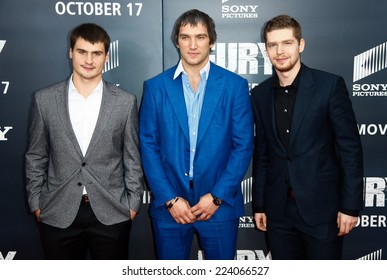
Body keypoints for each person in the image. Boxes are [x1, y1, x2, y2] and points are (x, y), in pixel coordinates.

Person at [139, 9, 253, 260]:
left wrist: (217, 196)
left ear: (211, 42)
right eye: (185, 37)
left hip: (219, 207)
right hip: (170, 209)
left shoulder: (234, 86)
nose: (192, 45)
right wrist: (169, 198)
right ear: (176, 40)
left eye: (200, 37)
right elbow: (148, 146)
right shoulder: (156, 87)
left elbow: (243, 145)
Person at [25, 23, 144, 259]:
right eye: (82, 52)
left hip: (112, 212)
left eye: (96, 53)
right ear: (71, 52)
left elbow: (132, 157)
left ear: (106, 56)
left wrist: (131, 205)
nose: (89, 60)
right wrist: (37, 203)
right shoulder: (45, 100)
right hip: (57, 211)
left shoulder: (125, 101)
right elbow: (36, 155)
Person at [251, 15, 364, 260]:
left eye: (287, 43)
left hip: (322, 212)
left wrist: (350, 206)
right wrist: (259, 204)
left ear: (301, 45)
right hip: (278, 213)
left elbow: (350, 149)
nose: (280, 51)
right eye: (272, 45)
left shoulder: (329, 86)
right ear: (266, 50)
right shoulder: (259, 95)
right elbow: (262, 153)